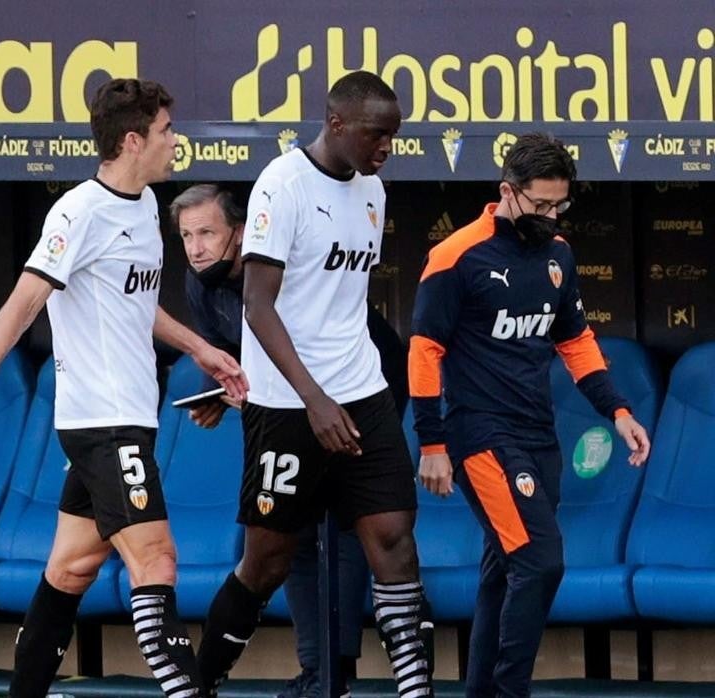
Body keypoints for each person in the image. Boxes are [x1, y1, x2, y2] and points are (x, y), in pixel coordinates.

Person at [0, 78, 247, 698]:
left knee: (73, 566)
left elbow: (133, 303)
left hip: (129, 416)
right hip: (102, 422)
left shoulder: (141, 208)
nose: (174, 140)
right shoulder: (78, 211)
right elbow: (25, 299)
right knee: (156, 561)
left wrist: (203, 349)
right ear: (134, 141)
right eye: (165, 131)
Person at [195, 71, 433, 698]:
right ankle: (198, 685)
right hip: (287, 406)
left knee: (394, 540)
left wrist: (344, 391)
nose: (386, 148)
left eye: (394, 137)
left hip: (362, 391)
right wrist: (314, 399)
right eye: (376, 135)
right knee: (266, 561)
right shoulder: (284, 184)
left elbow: (341, 301)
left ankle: (417, 692)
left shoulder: (374, 191)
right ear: (336, 123)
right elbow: (257, 304)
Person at [408, 133, 650, 698]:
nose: (548, 215)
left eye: (558, 205)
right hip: (481, 435)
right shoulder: (457, 255)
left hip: (538, 435)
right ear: (507, 192)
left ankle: (481, 693)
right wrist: (433, 445)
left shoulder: (558, 254)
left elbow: (575, 340)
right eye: (539, 204)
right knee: (539, 563)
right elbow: (424, 350)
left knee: (504, 568)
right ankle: (510, 691)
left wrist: (617, 409)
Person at [172, 183, 408, 698]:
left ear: (241, 231)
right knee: (283, 537)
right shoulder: (201, 286)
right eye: (187, 236)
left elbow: (302, 347)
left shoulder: (278, 271)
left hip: (363, 385)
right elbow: (234, 356)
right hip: (286, 403)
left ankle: (333, 674)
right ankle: (293, 673)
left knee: (352, 526)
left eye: (208, 232)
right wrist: (218, 394)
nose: (196, 248)